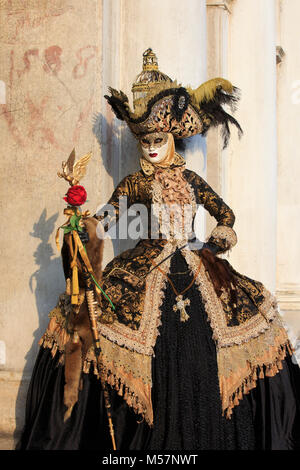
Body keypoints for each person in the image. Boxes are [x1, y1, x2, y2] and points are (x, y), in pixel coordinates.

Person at [17, 49, 300, 451]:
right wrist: (83, 226)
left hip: (197, 264)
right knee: (101, 329)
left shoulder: (193, 179)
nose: (151, 147)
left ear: (171, 138)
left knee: (223, 338)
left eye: (158, 139)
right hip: (145, 267)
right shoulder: (134, 182)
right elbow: (108, 216)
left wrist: (222, 235)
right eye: (145, 140)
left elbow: (226, 213)